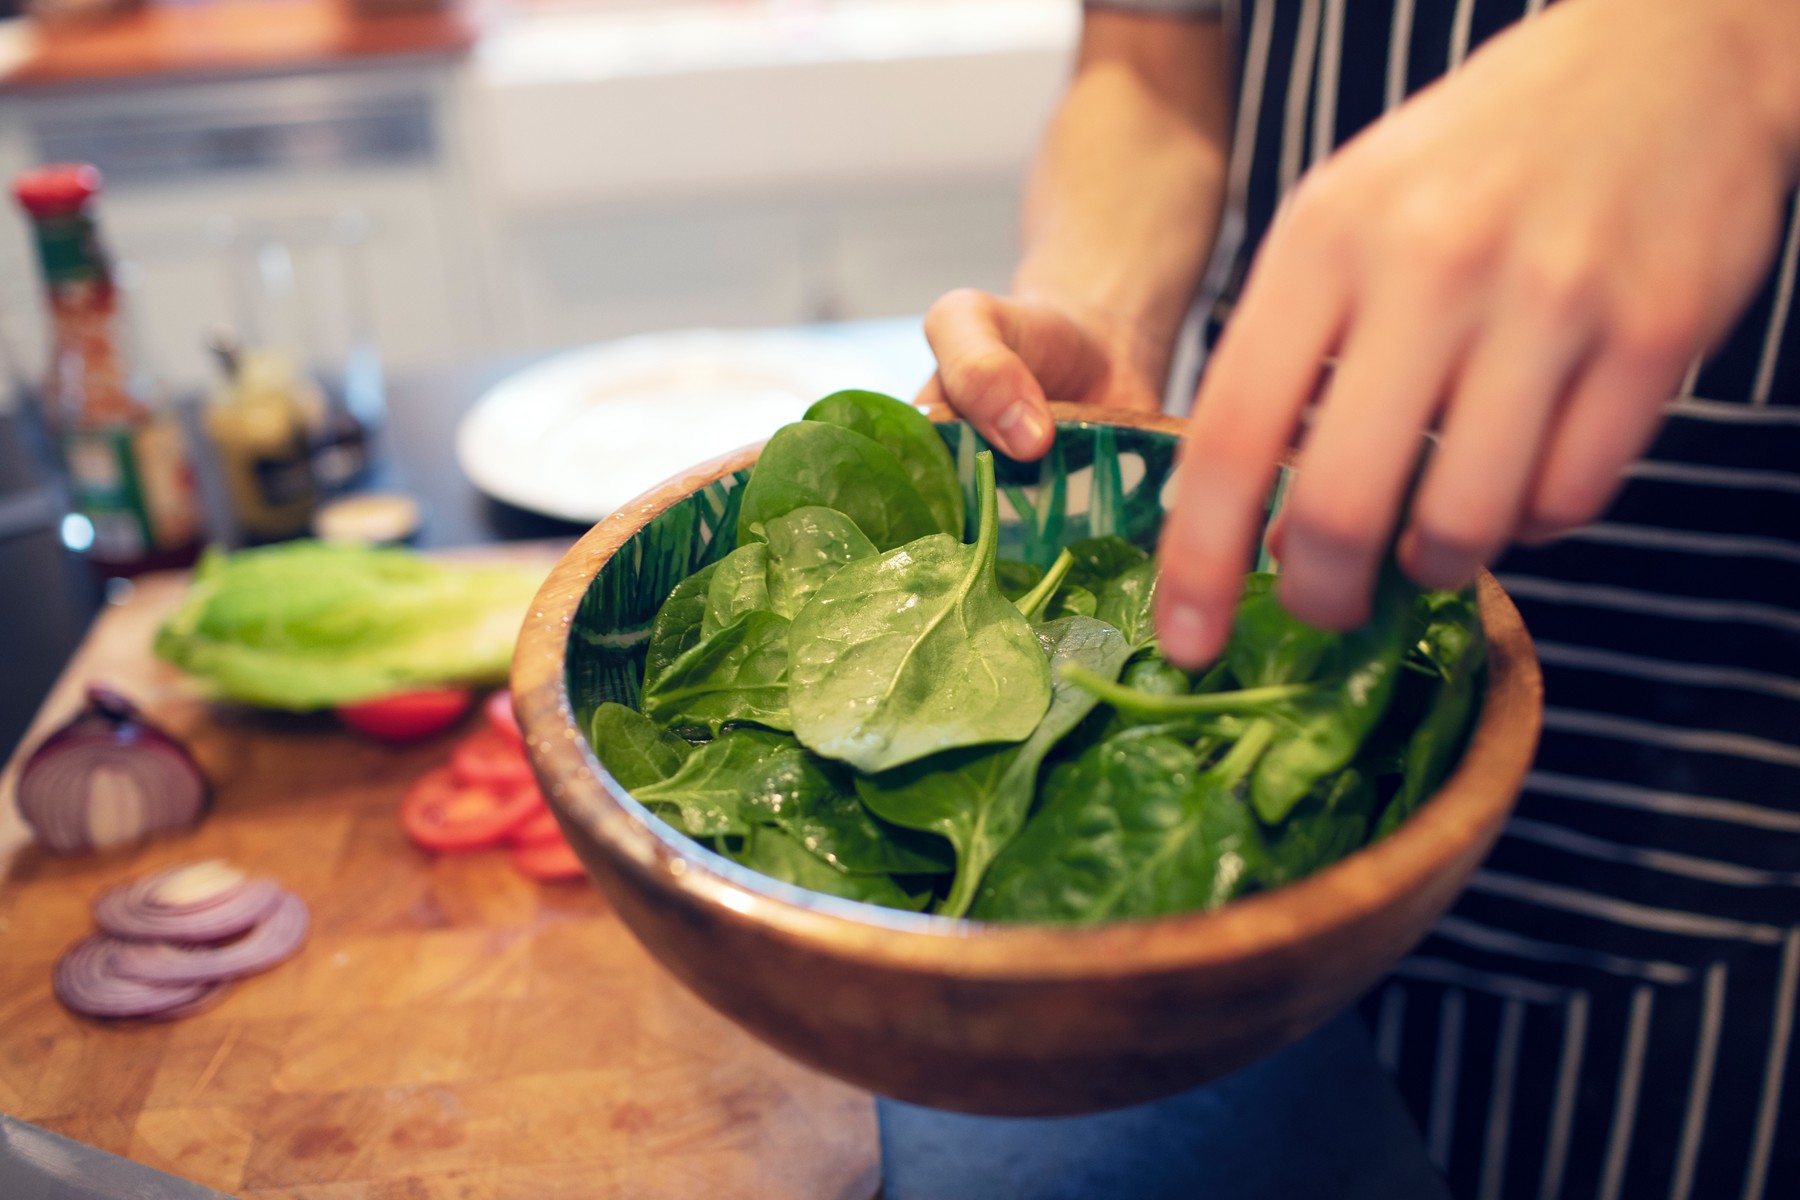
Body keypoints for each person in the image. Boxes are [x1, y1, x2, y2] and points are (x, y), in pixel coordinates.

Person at [919, 1, 1800, 1196]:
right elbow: (1152, 65)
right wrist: (1109, 312)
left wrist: (1743, 46)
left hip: (1699, 832)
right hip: (1235, 773)